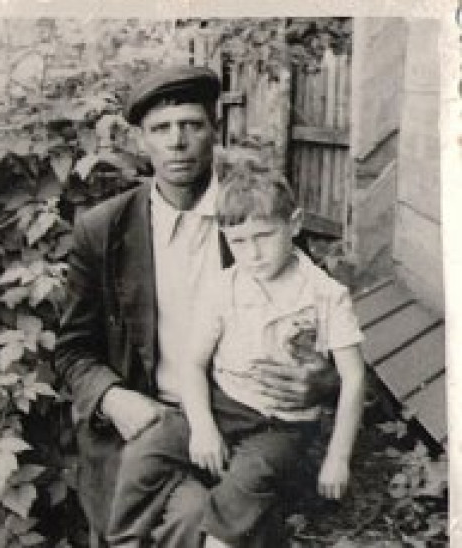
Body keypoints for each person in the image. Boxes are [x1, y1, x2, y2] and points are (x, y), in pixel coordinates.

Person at [55, 65, 339, 548]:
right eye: (161, 129)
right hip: (146, 425)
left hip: (243, 424)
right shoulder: (103, 229)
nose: (177, 142)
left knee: (216, 519)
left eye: (192, 125)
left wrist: (320, 379)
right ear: (141, 140)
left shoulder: (255, 218)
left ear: (214, 129)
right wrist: (113, 398)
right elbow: (73, 350)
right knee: (191, 520)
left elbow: (324, 333)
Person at [106, 162, 366, 547]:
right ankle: (122, 540)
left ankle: (218, 540)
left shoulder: (325, 295)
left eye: (264, 236)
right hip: (224, 404)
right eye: (239, 242)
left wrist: (338, 457)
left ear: (294, 224)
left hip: (282, 423)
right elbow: (193, 364)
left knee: (250, 477)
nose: (254, 254)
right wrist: (203, 428)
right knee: (147, 449)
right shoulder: (223, 287)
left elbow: (354, 377)